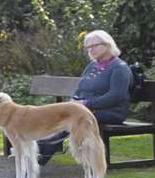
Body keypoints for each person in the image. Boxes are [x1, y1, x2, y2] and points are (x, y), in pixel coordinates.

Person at [39, 30, 132, 165]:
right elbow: (80, 88)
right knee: (58, 113)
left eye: (95, 45)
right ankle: (40, 146)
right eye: (88, 47)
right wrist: (74, 101)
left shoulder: (119, 68)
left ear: (107, 44)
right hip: (87, 109)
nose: (91, 49)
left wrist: (87, 103)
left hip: (111, 111)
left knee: (75, 117)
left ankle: (43, 151)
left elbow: (115, 96)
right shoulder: (92, 66)